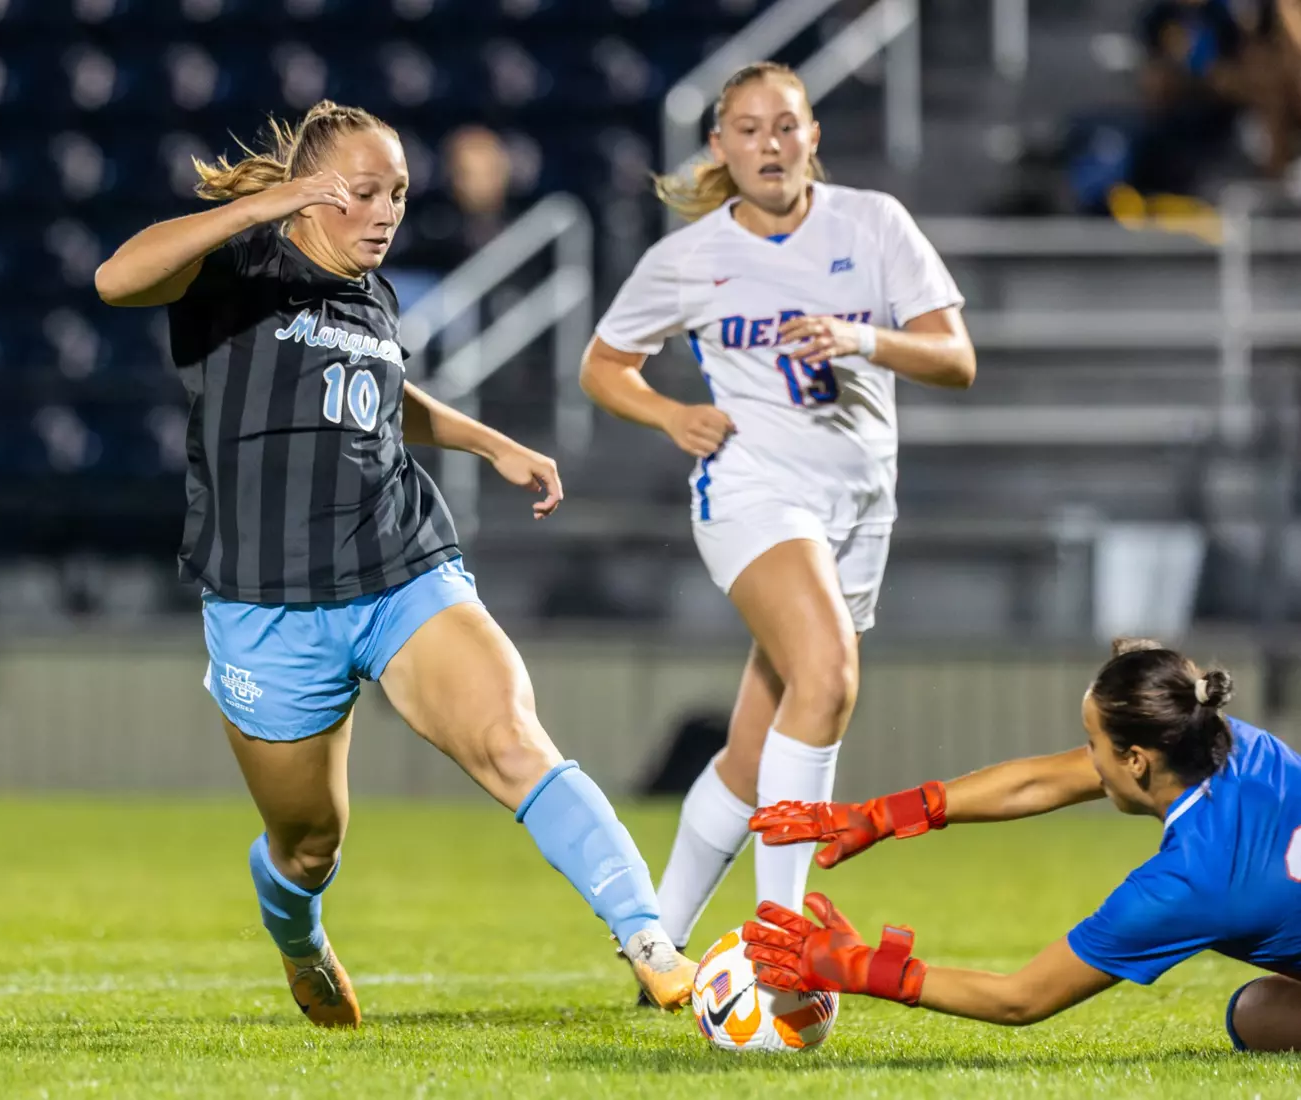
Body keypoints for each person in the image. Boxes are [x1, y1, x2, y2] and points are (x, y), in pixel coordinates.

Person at [93, 100, 697, 1027]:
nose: (386, 212)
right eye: (364, 192)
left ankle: (651, 941)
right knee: (307, 846)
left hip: (399, 567)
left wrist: (488, 442)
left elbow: (378, 393)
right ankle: (298, 934)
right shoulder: (237, 269)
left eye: (400, 194)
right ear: (309, 194)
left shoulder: (371, 293)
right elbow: (114, 278)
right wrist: (265, 206)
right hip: (268, 602)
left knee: (511, 739)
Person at [579, 62, 975, 964]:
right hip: (750, 490)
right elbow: (603, 365)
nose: (769, 144)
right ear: (719, 146)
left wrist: (858, 336)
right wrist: (670, 413)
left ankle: (654, 946)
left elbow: (955, 359)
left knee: (755, 755)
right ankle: (780, 943)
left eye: (785, 125)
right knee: (828, 675)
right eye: (748, 129)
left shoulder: (871, 224)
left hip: (860, 504)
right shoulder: (687, 257)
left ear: (812, 137)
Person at [743, 639, 1301, 1053]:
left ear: (1136, 760)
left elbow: (1020, 998)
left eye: (1093, 744)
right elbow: (1041, 782)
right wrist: (881, 815)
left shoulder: (1187, 885)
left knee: (1255, 1015)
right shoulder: (1237, 743)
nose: (1086, 762)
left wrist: (863, 969)